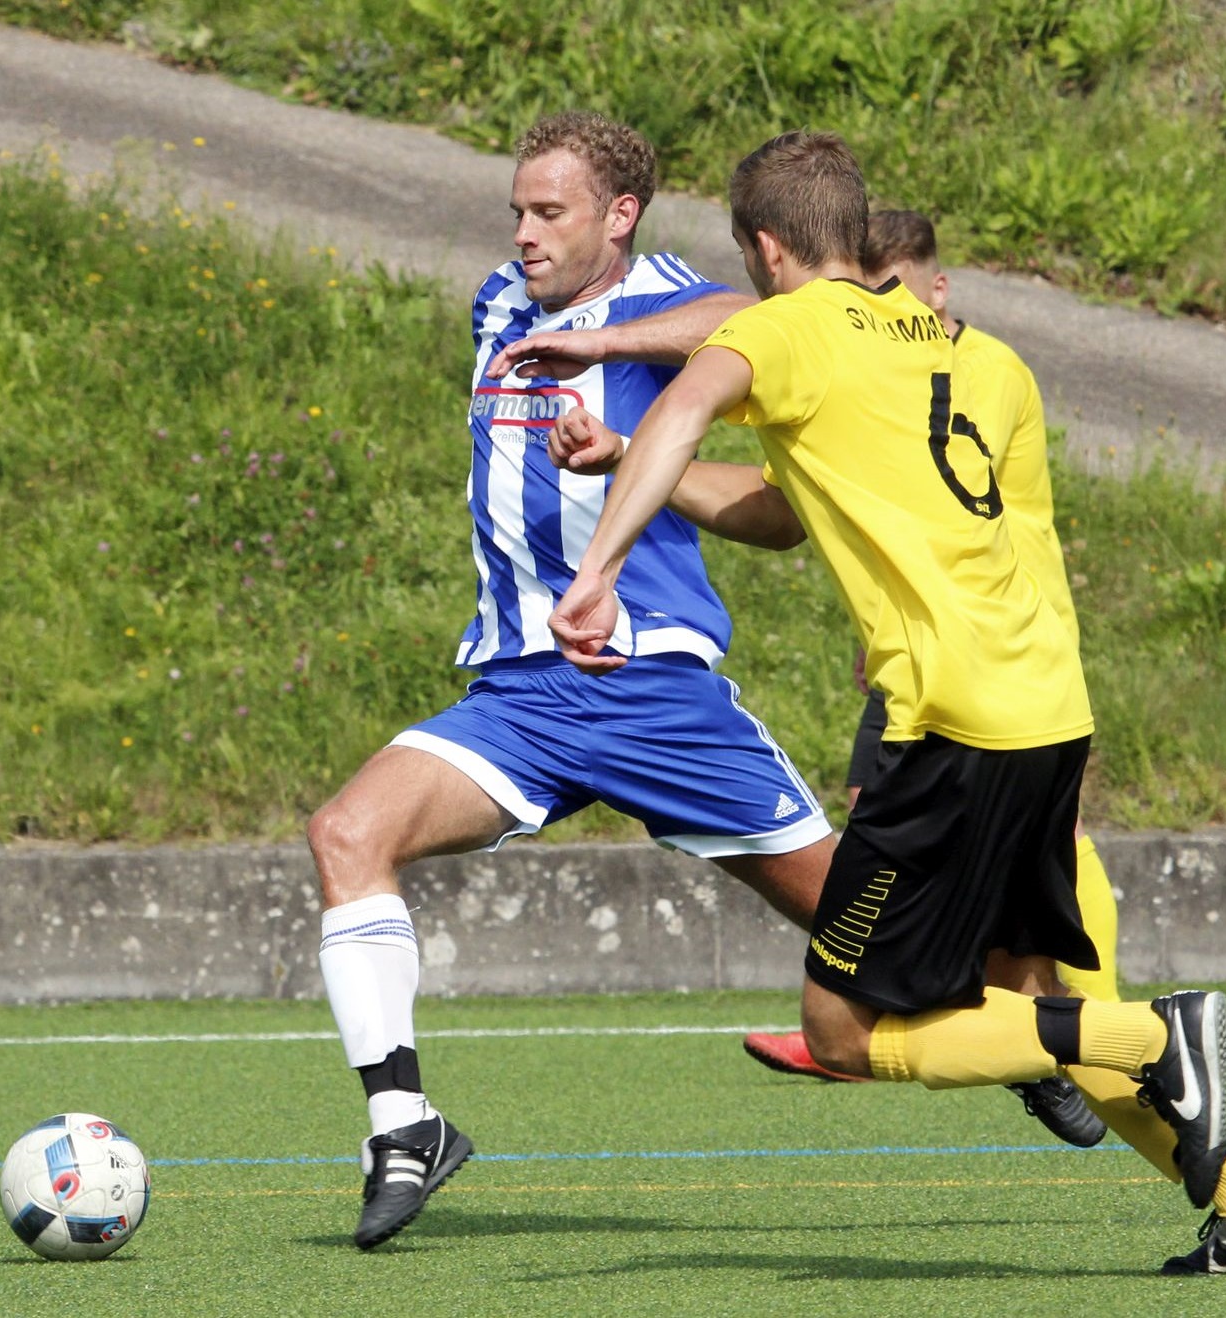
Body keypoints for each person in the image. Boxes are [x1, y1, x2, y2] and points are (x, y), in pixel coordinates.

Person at [546, 132, 1226, 1274]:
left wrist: (598, 566)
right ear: (858, 231)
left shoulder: (779, 331)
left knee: (841, 1029)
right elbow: (787, 507)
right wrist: (627, 457)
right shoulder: (985, 359)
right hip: (1045, 710)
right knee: (1023, 1002)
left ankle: (1156, 1034)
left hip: (943, 726)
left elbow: (683, 417)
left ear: (764, 247)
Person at [305, 111, 839, 1251]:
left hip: (650, 687)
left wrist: (605, 352)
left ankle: (1036, 1045)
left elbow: (766, 315)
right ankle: (406, 1127)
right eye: (517, 209)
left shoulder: (675, 305)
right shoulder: (498, 304)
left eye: (550, 212)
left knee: (871, 932)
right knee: (348, 834)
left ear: (621, 217)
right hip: (520, 695)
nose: (524, 232)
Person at [739, 212, 1122, 1156]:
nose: (881, 309)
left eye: (898, 289)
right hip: (973, 670)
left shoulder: (980, 371)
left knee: (924, 965)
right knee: (953, 865)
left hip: (972, 680)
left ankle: (1107, 1037)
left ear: (935, 290)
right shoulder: (907, 368)